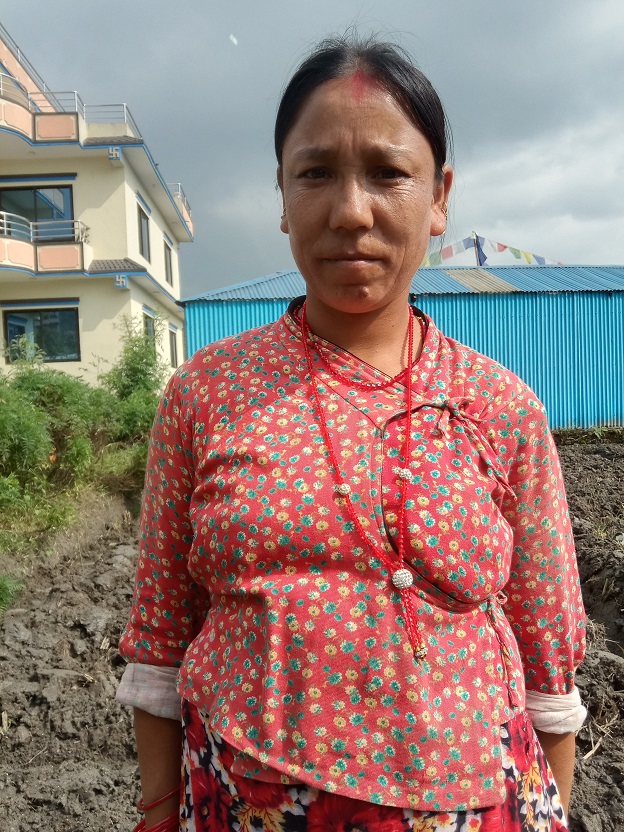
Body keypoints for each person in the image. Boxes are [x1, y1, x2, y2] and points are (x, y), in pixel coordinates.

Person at [117, 35, 587, 832]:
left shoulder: (502, 408)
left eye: (388, 173)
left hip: (478, 805)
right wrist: (159, 811)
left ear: (438, 197)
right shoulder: (206, 394)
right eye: (316, 173)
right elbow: (161, 640)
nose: (351, 212)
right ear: (281, 193)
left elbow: (548, 663)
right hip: (243, 804)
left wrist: (557, 810)